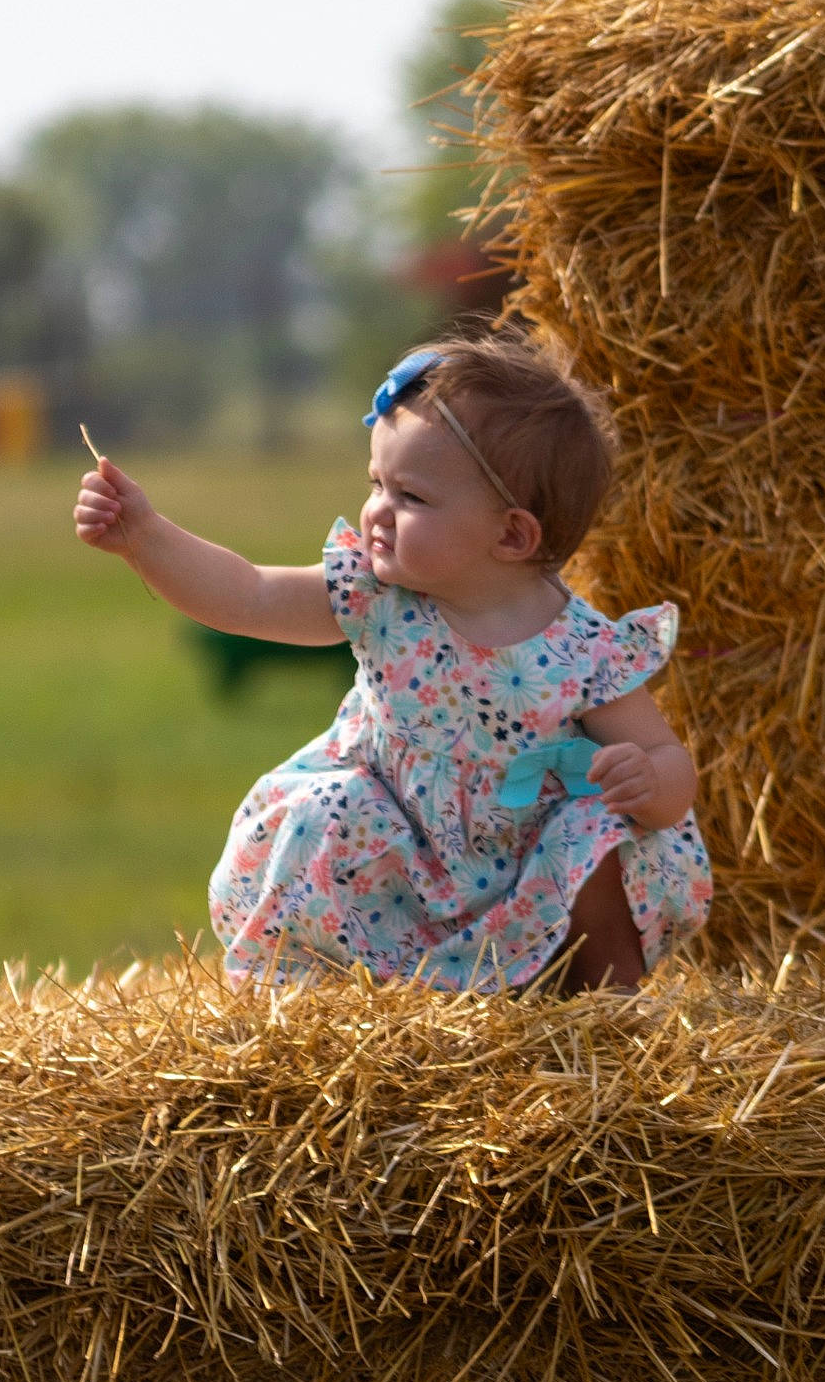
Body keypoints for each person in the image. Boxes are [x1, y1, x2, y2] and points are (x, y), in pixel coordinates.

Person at [74, 331, 712, 994]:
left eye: (410, 497)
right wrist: (146, 538)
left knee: (599, 825)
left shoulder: (582, 651)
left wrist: (650, 782)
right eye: (376, 483)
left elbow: (668, 761)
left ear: (512, 534)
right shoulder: (380, 597)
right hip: (396, 861)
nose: (377, 510)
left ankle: (607, 1001)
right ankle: (313, 1000)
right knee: (327, 812)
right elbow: (247, 594)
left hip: (523, 879)